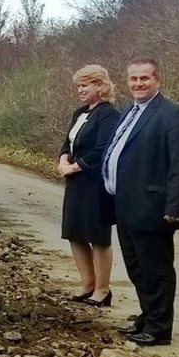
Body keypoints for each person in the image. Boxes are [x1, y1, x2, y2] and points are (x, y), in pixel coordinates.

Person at [103, 58, 179, 346]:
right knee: (136, 268)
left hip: (152, 206)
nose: (138, 84)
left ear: (157, 80)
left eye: (145, 78)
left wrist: (174, 208)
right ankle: (147, 317)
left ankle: (159, 329)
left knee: (156, 269)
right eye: (133, 79)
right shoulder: (128, 112)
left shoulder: (174, 114)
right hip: (125, 204)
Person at [58, 65, 120, 307]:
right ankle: (87, 284)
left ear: (100, 85)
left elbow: (103, 149)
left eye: (85, 85)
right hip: (75, 182)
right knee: (74, 232)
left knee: (98, 236)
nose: (80, 90)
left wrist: (75, 166)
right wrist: (63, 159)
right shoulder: (80, 113)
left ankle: (103, 290)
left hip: (96, 183)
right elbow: (68, 143)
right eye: (79, 86)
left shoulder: (109, 115)